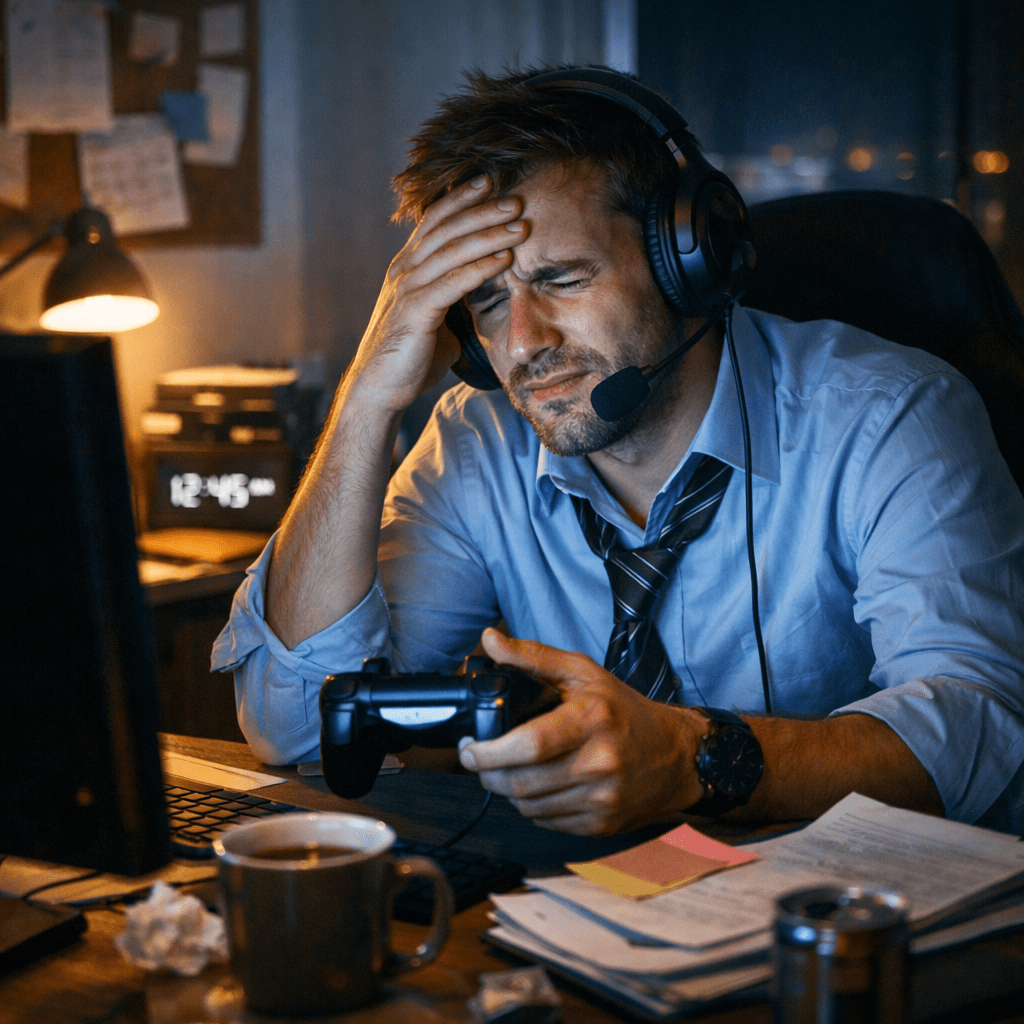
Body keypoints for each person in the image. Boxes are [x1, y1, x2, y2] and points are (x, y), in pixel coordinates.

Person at [213, 66, 1024, 837]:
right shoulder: (475, 438)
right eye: (487, 302)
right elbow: (297, 730)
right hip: (580, 920)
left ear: (688, 260)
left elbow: (976, 724)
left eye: (561, 277)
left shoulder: (888, 416)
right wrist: (366, 399)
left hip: (851, 927)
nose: (522, 344)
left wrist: (692, 758)